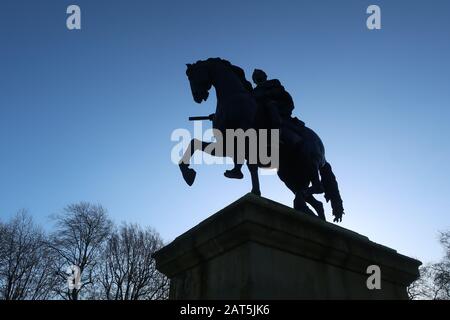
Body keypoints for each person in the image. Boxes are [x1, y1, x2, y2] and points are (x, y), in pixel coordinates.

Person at [224, 69, 306, 179]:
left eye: (259, 75)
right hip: (260, 116)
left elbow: (284, 97)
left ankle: (276, 137)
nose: (258, 77)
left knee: (270, 106)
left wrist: (267, 95)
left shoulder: (274, 84)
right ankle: (237, 169)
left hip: (275, 110)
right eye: (255, 76)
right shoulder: (253, 92)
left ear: (265, 76)